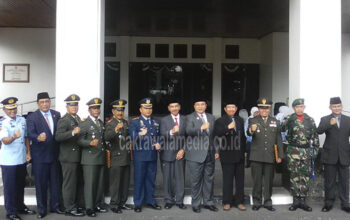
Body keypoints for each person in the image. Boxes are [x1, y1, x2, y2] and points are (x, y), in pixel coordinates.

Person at [26, 92, 63, 218]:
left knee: (55, 183)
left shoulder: (56, 114)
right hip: (40, 157)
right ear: (38, 103)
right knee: (41, 185)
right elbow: (29, 133)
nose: (45, 104)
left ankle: (55, 206)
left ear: (50, 102)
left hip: (54, 155)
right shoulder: (32, 117)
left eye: (47, 101)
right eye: (42, 102)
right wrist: (37, 137)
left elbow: (60, 132)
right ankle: (41, 210)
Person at [0, 97, 36, 220]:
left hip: (21, 158)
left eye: (14, 108)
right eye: (9, 109)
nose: (12, 111)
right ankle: (10, 212)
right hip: (8, 161)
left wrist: (28, 153)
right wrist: (14, 137)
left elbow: (26, 137)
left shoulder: (22, 120)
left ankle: (20, 206)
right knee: (10, 187)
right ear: (4, 109)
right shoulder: (2, 123)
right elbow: (5, 141)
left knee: (20, 185)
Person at [281, 98, 319, 212]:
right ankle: (295, 201)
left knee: (305, 176)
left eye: (301, 107)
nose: (299, 109)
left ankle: (303, 200)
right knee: (294, 175)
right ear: (294, 108)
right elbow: (281, 130)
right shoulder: (289, 119)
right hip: (293, 151)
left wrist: (315, 152)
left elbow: (315, 138)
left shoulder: (310, 120)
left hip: (306, 152)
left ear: (304, 107)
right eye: (297, 107)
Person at [247, 97, 283, 211]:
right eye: (262, 109)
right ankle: (256, 202)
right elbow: (249, 133)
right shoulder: (253, 120)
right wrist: (251, 130)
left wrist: (280, 155)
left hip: (270, 156)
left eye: (266, 109)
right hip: (256, 156)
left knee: (268, 181)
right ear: (258, 109)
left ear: (269, 109)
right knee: (257, 181)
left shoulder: (275, 121)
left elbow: (278, 139)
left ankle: (267, 202)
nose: (264, 111)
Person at [185, 98, 219, 213]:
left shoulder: (211, 117)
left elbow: (214, 136)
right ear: (194, 106)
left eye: (202, 104)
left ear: (206, 106)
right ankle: (196, 204)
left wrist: (216, 150)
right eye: (198, 104)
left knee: (209, 180)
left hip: (209, 153)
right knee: (196, 181)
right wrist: (201, 128)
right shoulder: (189, 117)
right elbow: (188, 131)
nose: (200, 106)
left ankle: (209, 202)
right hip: (195, 154)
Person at [317, 97, 350, 213]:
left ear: (342, 107)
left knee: (344, 181)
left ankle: (345, 203)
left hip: (345, 155)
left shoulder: (348, 119)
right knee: (329, 182)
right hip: (330, 155)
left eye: (339, 106)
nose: (337, 108)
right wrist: (329, 124)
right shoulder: (325, 119)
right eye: (334, 106)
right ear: (330, 108)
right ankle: (328, 203)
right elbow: (319, 131)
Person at [129, 98, 162, 213]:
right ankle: (138, 203)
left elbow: (160, 136)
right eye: (145, 108)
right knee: (139, 180)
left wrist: (159, 143)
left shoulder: (156, 121)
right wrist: (139, 134)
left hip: (152, 155)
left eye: (150, 108)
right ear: (140, 109)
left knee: (151, 179)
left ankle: (150, 201)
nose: (148, 110)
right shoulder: (134, 122)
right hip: (140, 156)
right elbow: (131, 138)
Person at [55, 94, 85, 217]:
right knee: (69, 184)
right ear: (67, 106)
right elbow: (58, 137)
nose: (74, 107)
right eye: (71, 105)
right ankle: (69, 208)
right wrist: (72, 132)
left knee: (76, 183)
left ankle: (75, 205)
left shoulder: (77, 118)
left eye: (76, 105)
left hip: (77, 156)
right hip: (68, 157)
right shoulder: (64, 120)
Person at [77, 98, 108, 217]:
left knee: (99, 184)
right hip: (89, 159)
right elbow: (79, 140)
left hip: (100, 157)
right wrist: (89, 143)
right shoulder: (84, 123)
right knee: (90, 184)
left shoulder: (100, 123)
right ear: (89, 110)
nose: (96, 110)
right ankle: (89, 208)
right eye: (94, 108)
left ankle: (97, 204)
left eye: (98, 108)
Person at [214, 102, 246, 211]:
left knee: (240, 180)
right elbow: (217, 133)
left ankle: (239, 202)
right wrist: (228, 127)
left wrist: (245, 151)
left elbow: (243, 138)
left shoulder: (240, 120)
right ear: (225, 109)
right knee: (227, 180)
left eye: (233, 107)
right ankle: (227, 202)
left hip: (240, 155)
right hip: (227, 154)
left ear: (236, 108)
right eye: (229, 107)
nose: (231, 109)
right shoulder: (220, 121)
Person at [104, 99, 133, 214]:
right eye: (118, 110)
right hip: (116, 157)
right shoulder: (110, 123)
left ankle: (122, 202)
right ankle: (114, 204)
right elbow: (106, 137)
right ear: (113, 111)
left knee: (125, 182)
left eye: (122, 110)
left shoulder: (126, 122)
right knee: (115, 183)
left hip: (126, 156)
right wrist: (116, 130)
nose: (120, 112)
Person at [159, 99, 187, 210]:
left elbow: (189, 137)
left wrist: (183, 149)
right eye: (172, 106)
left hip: (180, 153)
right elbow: (161, 135)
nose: (174, 108)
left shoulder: (185, 119)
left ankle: (180, 201)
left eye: (176, 106)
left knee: (180, 178)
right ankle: (169, 200)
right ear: (169, 108)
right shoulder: (164, 120)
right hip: (167, 153)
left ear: (179, 107)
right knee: (167, 179)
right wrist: (171, 132)